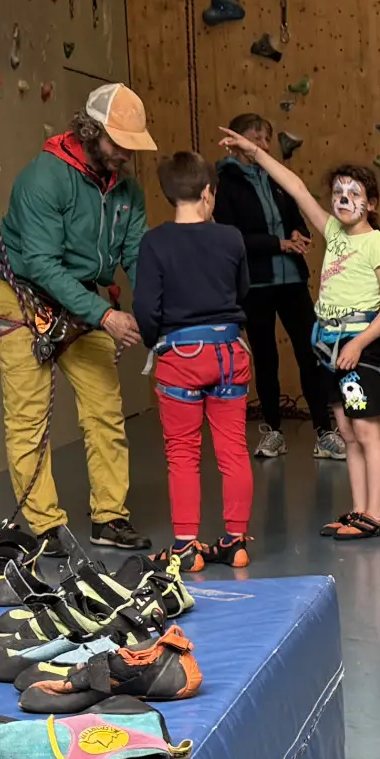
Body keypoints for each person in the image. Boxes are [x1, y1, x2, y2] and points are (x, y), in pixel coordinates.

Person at [0, 82, 152, 552]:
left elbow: (137, 256)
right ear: (90, 130)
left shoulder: (128, 191)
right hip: (22, 295)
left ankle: (110, 518)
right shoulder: (44, 178)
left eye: (131, 145)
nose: (125, 153)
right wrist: (106, 316)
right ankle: (45, 527)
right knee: (28, 420)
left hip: (81, 296)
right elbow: (41, 264)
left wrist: (153, 314)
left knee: (105, 410)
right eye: (117, 142)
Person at [224, 134, 380, 542]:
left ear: (371, 203)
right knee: (348, 433)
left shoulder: (378, 245)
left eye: (354, 194)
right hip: (329, 350)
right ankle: (360, 510)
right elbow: (297, 188)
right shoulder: (334, 234)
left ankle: (377, 514)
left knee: (367, 432)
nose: (344, 200)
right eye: (338, 193)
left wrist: (358, 344)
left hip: (358, 350)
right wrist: (257, 154)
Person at [130, 152, 256, 566]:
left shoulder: (154, 242)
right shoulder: (231, 238)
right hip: (228, 352)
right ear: (207, 192)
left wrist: (155, 340)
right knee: (233, 450)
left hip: (181, 356)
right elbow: (242, 290)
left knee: (183, 454)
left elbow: (146, 307)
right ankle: (235, 542)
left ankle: (186, 547)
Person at [215, 113, 340, 465]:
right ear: (236, 142)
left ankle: (324, 431)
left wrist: (299, 235)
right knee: (266, 358)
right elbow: (231, 236)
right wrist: (277, 244)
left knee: (311, 353)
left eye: (266, 138)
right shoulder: (225, 183)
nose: (263, 145)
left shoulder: (277, 178)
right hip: (255, 284)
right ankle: (272, 431)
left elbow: (297, 219)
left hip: (293, 281)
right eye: (255, 138)